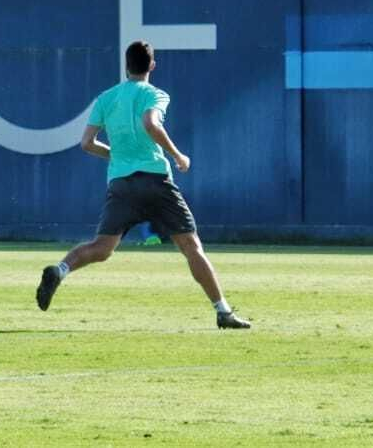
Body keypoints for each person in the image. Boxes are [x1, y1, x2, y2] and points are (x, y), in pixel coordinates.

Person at [35, 40, 250, 330]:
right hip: (155, 179)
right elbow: (150, 123)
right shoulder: (155, 94)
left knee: (101, 248)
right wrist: (177, 155)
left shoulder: (106, 98)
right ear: (151, 65)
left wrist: (117, 155)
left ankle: (60, 270)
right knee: (191, 246)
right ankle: (223, 311)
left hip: (121, 183)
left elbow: (86, 143)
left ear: (126, 66)